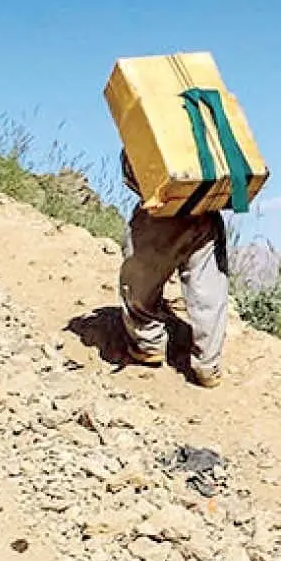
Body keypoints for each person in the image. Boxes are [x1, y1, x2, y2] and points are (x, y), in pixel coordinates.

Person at [116, 154, 229, 388]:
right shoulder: (206, 129)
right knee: (208, 291)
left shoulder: (151, 123)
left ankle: (148, 345)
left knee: (138, 283)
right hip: (206, 213)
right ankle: (208, 365)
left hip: (161, 216)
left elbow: (134, 175)